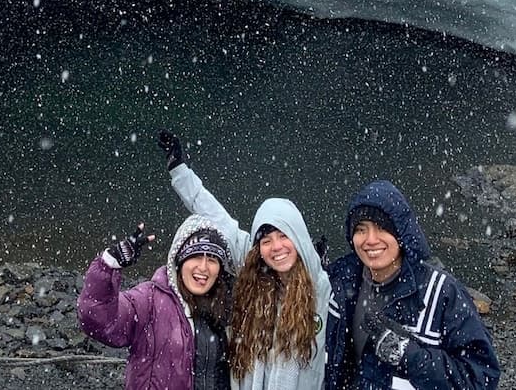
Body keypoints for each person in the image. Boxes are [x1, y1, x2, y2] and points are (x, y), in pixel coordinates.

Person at [158, 130, 330, 390]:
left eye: (284, 236)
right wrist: (180, 172)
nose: (276, 247)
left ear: (299, 237)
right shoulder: (254, 272)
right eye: (266, 240)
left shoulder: (322, 286)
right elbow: (215, 217)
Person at [324, 180, 500, 390]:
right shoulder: (340, 282)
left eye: (381, 228)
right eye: (361, 229)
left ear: (401, 232)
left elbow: (481, 378)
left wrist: (407, 354)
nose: (370, 240)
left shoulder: (441, 292)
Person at [78, 214, 235, 390]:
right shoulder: (150, 300)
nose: (203, 267)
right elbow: (99, 321)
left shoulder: (226, 309)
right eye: (196, 256)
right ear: (179, 260)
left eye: (212, 259)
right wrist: (108, 264)